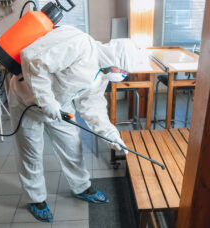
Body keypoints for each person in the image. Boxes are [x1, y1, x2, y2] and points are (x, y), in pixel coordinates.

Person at [8, 25, 148, 223]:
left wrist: (110, 133)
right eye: (123, 70)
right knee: (31, 152)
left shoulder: (102, 74)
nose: (122, 75)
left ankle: (82, 187)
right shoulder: (80, 44)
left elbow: (93, 106)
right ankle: (36, 199)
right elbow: (33, 60)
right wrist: (47, 102)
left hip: (61, 107)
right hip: (26, 100)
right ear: (115, 59)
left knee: (73, 145)